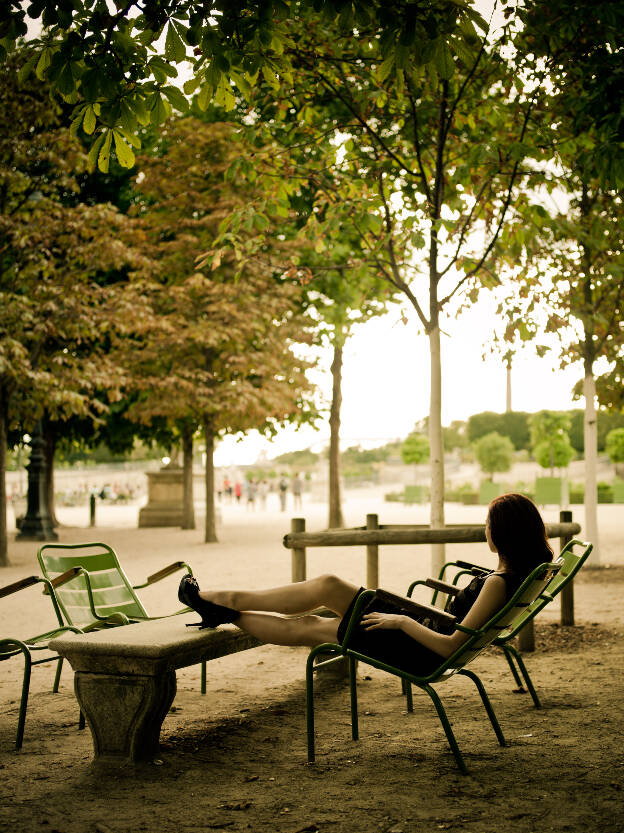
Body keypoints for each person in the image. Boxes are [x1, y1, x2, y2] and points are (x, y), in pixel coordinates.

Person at [178, 493, 553, 676]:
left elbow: (453, 645)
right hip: (419, 629)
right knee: (323, 596)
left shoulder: (499, 584)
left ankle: (221, 604)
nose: (485, 529)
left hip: (418, 646)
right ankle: (222, 603)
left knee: (316, 617)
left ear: (502, 532)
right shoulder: (519, 575)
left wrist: (401, 621)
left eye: (488, 523)